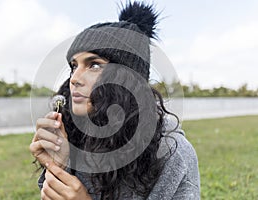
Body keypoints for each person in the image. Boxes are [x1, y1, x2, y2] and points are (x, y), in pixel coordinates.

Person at [30, 1, 200, 200]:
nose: (75, 78)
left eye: (94, 65)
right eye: (73, 66)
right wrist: (58, 166)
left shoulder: (173, 153)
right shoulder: (75, 137)